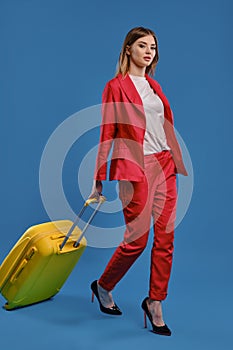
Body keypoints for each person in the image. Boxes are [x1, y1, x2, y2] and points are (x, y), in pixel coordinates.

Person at [89, 26, 188, 336]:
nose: (149, 51)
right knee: (137, 241)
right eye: (143, 45)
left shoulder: (155, 88)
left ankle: (155, 302)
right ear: (128, 49)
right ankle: (104, 286)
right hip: (136, 168)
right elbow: (107, 131)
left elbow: (162, 126)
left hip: (164, 164)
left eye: (154, 47)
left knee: (166, 239)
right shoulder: (115, 86)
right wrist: (98, 178)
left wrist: (171, 159)